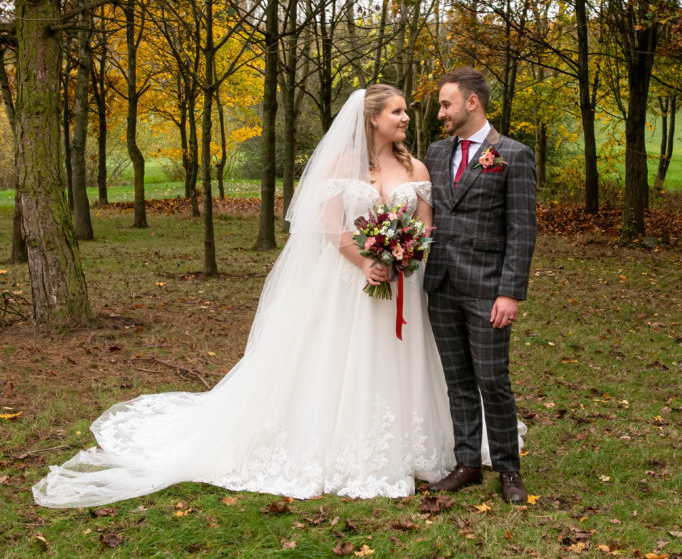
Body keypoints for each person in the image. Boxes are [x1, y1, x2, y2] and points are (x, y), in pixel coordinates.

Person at [33, 85, 457, 507]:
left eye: (406, 112)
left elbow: (425, 224)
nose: (405, 118)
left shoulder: (416, 168)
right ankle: (334, 445)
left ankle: (407, 446)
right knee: (334, 359)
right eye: (398, 112)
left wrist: (404, 255)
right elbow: (329, 226)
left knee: (397, 359)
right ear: (372, 118)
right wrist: (365, 262)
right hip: (347, 283)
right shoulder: (341, 164)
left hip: (401, 283)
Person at [424, 68, 536, 504]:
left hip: (489, 288)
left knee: (493, 378)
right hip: (441, 283)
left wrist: (510, 292)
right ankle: (468, 463)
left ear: (472, 102)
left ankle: (508, 468)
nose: (440, 112)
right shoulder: (435, 152)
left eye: (446, 104)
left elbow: (522, 229)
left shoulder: (513, 154)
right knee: (457, 380)